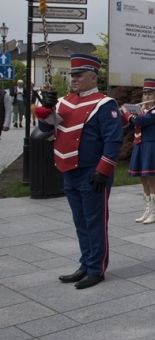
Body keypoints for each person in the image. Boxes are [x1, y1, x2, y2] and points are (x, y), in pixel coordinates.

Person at [34, 54, 123, 289]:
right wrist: (46, 107)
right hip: (69, 170)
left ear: (93, 77)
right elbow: (45, 128)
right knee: (80, 221)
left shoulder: (104, 104)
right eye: (72, 75)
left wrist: (103, 169)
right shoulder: (64, 102)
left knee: (95, 221)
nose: (73, 79)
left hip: (92, 172)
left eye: (78, 75)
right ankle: (85, 263)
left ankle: (96, 268)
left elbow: (113, 141)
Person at [124, 78, 155, 224]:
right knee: (142, 178)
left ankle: (154, 212)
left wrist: (128, 114)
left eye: (150, 94)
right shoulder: (143, 110)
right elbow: (132, 126)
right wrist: (128, 114)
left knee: (150, 178)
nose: (146, 97)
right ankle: (148, 209)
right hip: (140, 145)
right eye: (145, 94)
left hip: (150, 146)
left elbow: (138, 122)